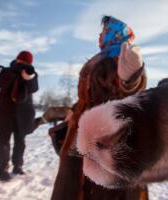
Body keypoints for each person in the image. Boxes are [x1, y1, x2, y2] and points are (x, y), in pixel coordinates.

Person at [51, 16, 148, 200]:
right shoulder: (101, 59)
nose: (99, 35)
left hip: (107, 142)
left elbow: (130, 91)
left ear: (114, 34)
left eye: (103, 31)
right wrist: (75, 110)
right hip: (84, 133)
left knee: (102, 190)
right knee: (77, 183)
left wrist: (132, 80)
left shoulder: (123, 59)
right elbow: (89, 97)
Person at [0, 51, 38, 181]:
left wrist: (28, 77)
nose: (23, 64)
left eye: (26, 63)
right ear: (17, 60)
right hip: (5, 113)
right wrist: (14, 73)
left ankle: (17, 166)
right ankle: (2, 168)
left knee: (20, 142)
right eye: (21, 61)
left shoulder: (31, 73)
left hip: (23, 114)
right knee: (4, 142)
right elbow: (1, 84)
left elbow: (34, 88)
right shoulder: (6, 71)